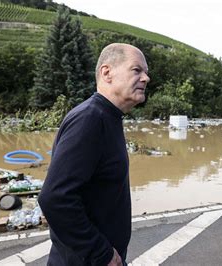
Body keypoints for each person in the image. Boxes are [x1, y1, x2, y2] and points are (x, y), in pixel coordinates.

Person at [38, 43, 150, 266]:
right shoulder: (90, 119)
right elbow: (55, 198)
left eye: (146, 72)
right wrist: (101, 253)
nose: (146, 78)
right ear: (106, 73)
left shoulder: (108, 117)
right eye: (137, 70)